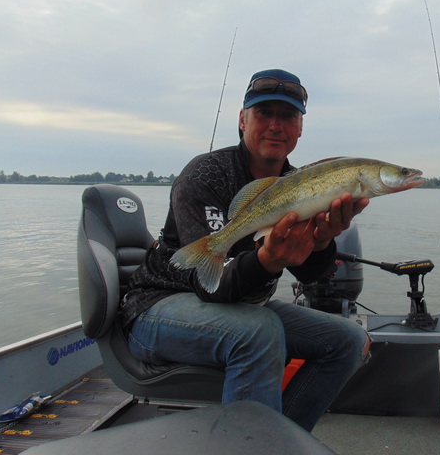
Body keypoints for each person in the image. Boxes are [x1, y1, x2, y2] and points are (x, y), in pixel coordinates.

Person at [120, 68, 371, 432]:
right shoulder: (205, 175)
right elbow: (211, 284)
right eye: (263, 113)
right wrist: (268, 262)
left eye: (287, 116)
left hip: (243, 306)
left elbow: (311, 274)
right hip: (157, 308)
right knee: (259, 330)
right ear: (242, 120)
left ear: (300, 128)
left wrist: (321, 243)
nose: (275, 125)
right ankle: (251, 442)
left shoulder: (302, 186)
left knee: (348, 340)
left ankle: (276, 439)